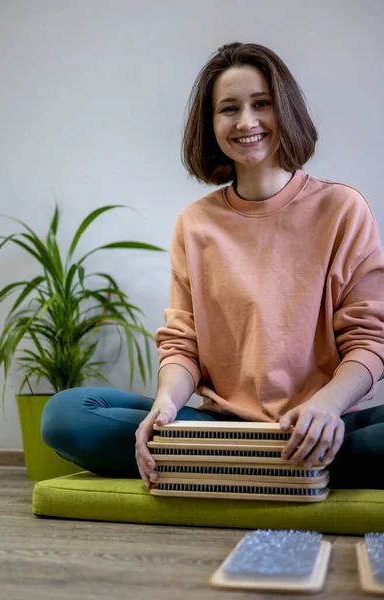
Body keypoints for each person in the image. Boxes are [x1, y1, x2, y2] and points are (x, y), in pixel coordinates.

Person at [41, 42, 384, 491]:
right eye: (229, 109)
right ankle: (280, 470)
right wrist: (165, 403)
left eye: (262, 103)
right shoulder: (195, 223)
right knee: (66, 415)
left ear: (286, 110)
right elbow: (183, 346)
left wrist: (325, 408)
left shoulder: (342, 208)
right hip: (221, 428)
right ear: (211, 124)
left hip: (325, 425)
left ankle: (235, 466)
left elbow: (369, 340)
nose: (246, 122)